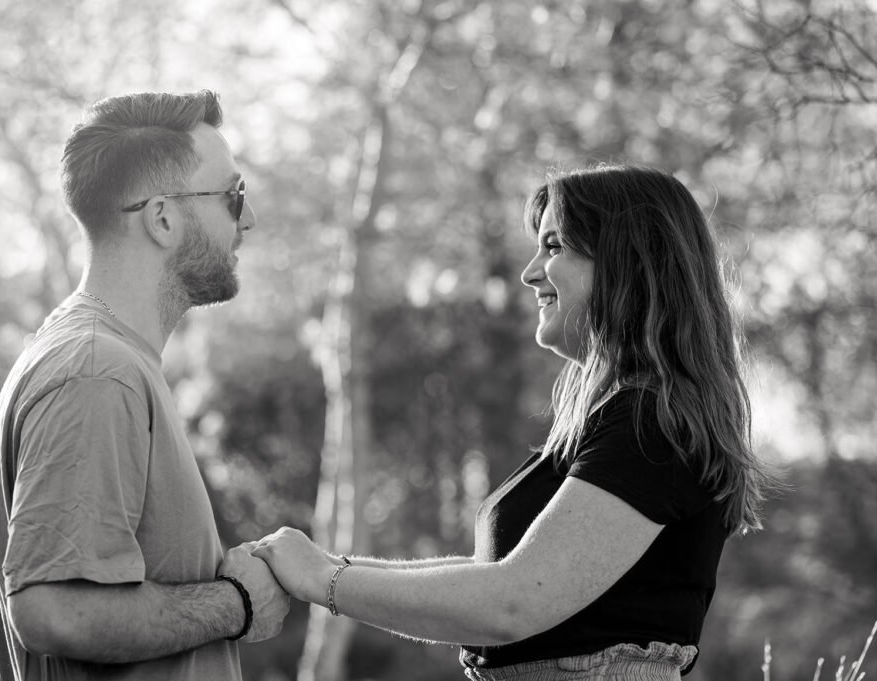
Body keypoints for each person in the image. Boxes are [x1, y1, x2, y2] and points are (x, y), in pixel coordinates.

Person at [250, 165, 772, 680]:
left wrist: (323, 579)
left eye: (554, 246)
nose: (530, 272)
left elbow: (513, 602)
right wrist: (325, 566)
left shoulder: (650, 422)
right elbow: (490, 578)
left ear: (624, 263)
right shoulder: (623, 416)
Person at [0, 90, 289, 681]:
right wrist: (239, 604)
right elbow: (56, 611)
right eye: (233, 195)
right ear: (163, 218)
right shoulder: (97, 372)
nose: (247, 217)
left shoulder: (102, 359)